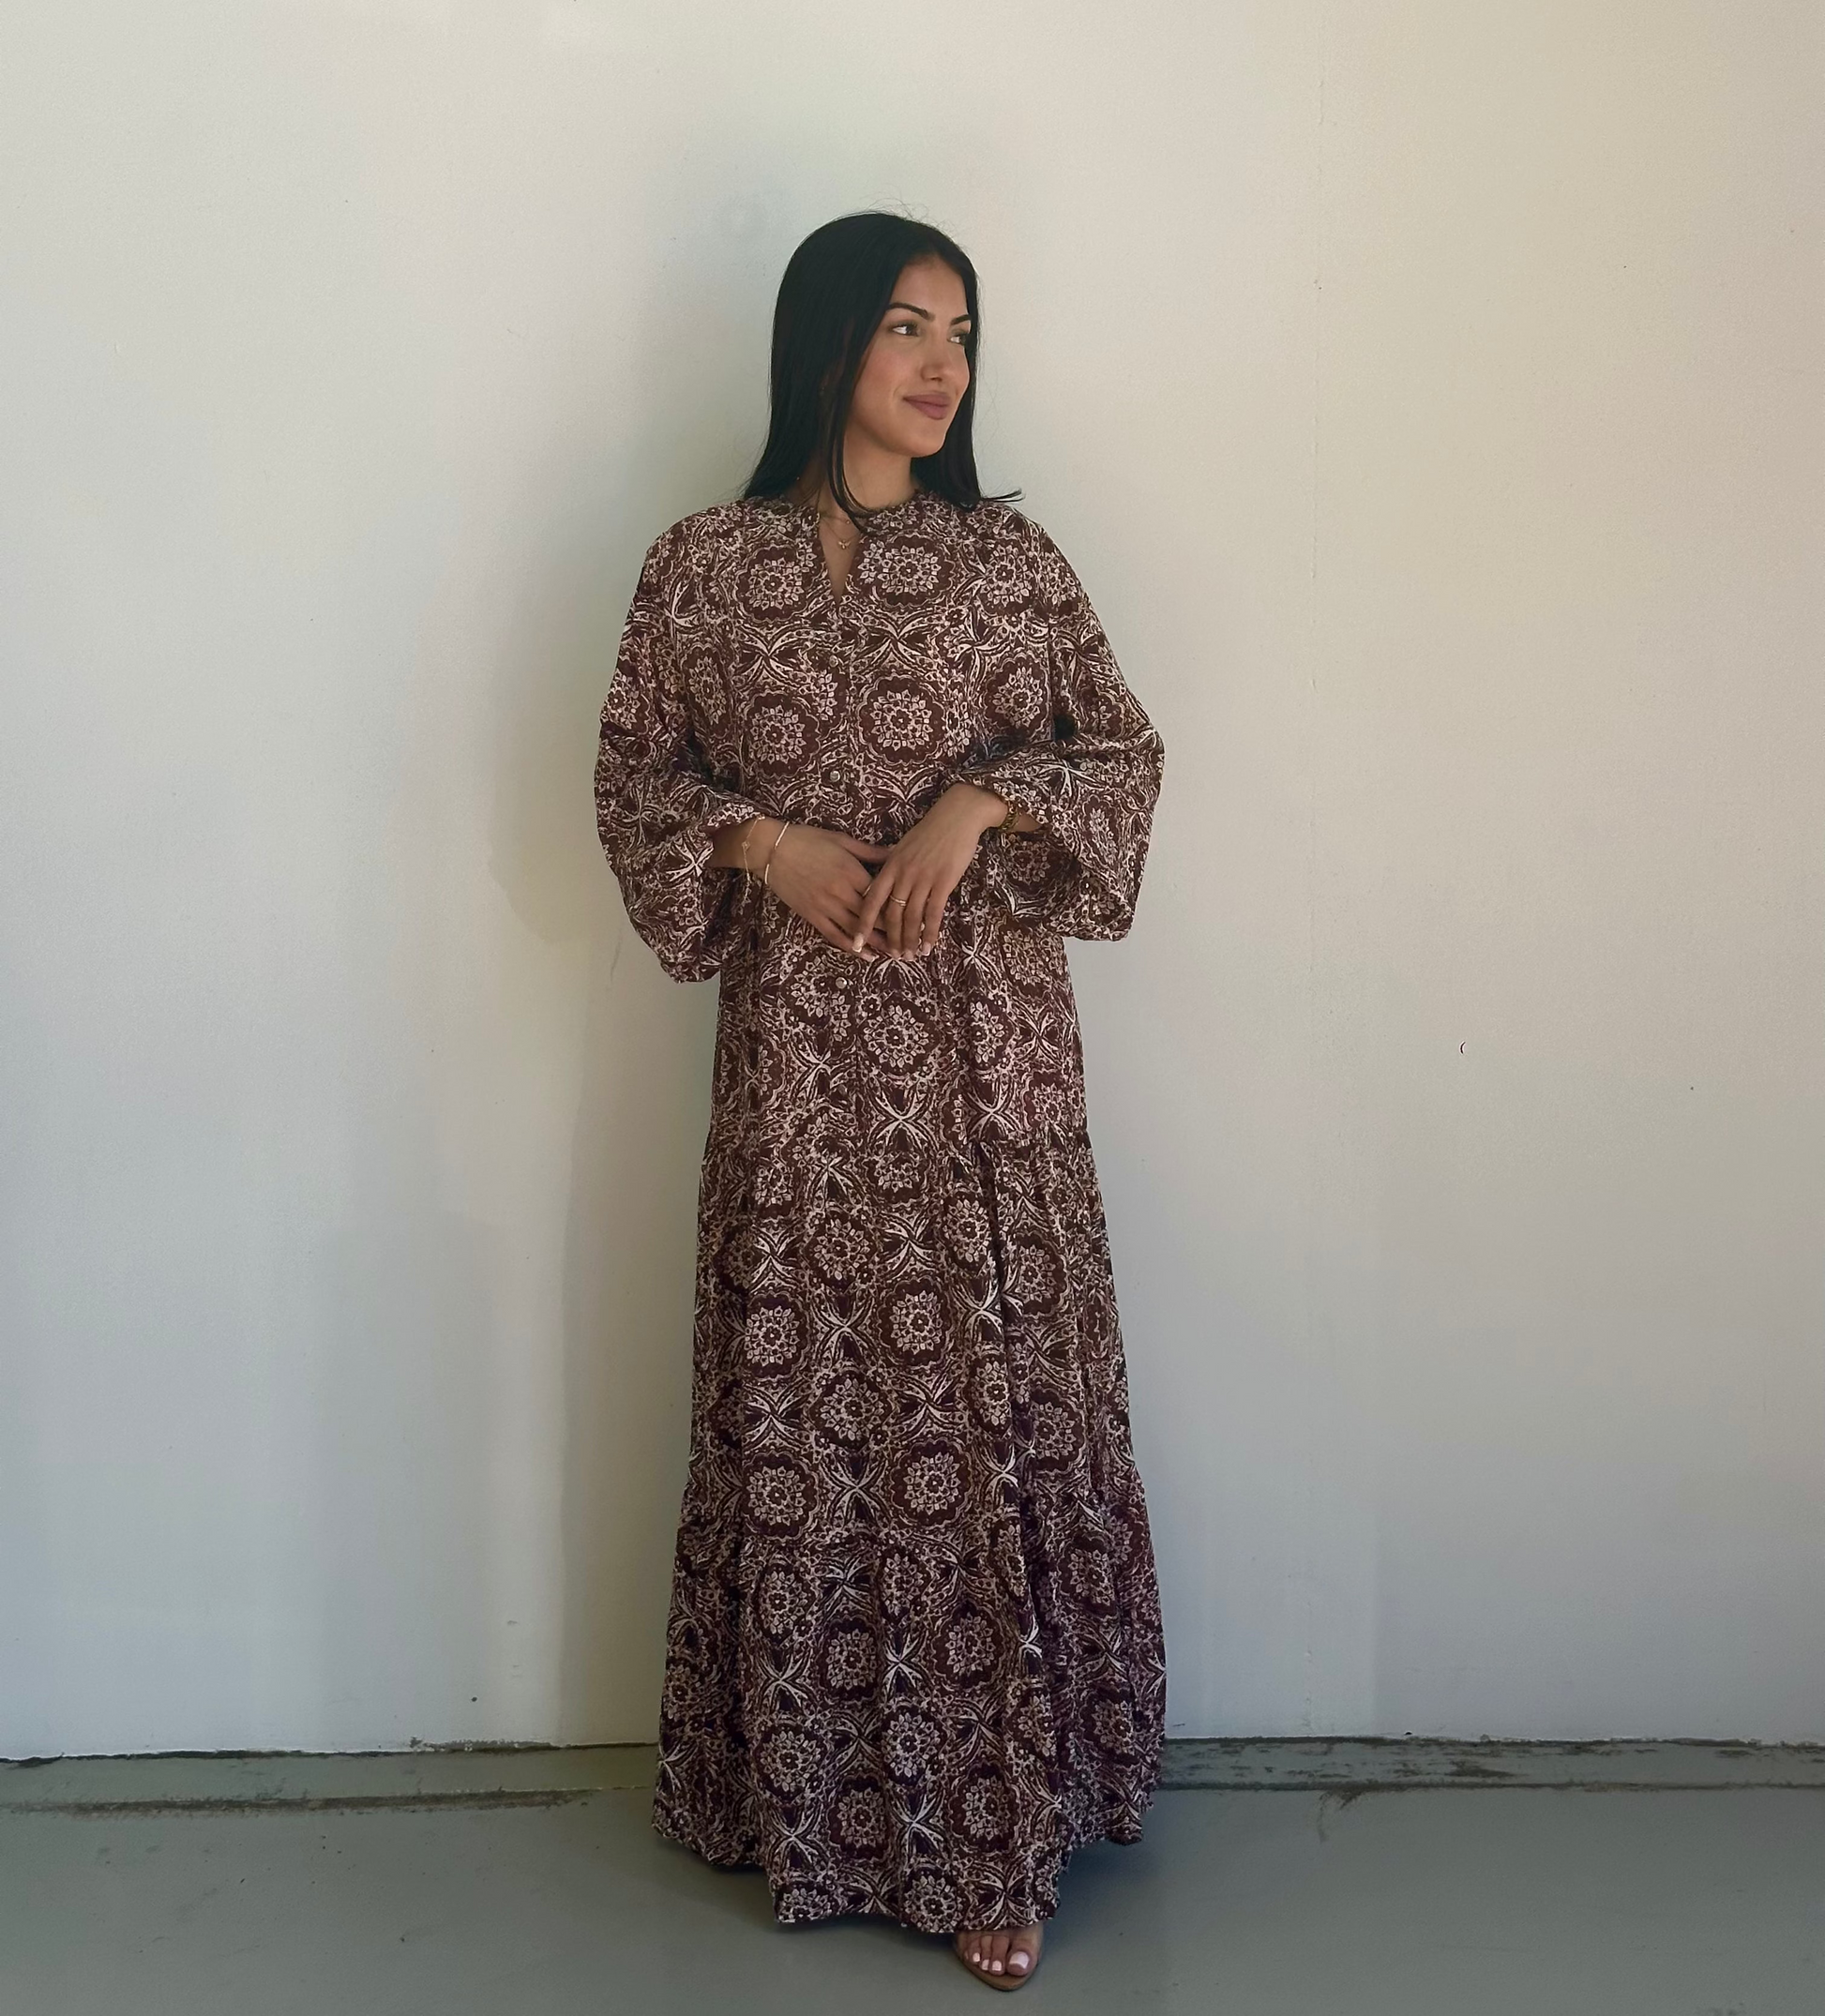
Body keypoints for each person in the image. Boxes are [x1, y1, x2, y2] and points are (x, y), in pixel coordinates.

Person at [594, 210, 1168, 1992]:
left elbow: (1122, 752)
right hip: (796, 1074)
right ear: (827, 338)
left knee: (979, 1417)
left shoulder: (1009, 564)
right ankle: (805, 1802)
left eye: (963, 334)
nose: (942, 366)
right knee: (814, 1411)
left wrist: (974, 806)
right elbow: (631, 779)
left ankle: (997, 1828)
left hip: (989, 1063)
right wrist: (755, 840)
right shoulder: (699, 567)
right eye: (908, 326)